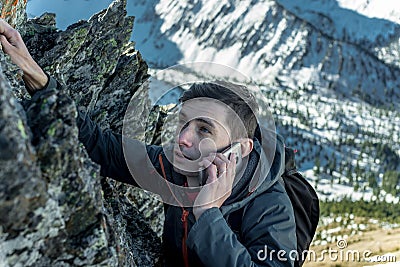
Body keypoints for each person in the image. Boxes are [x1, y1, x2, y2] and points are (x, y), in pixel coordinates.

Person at [0, 19, 297, 266]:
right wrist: (38, 78)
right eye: (183, 124)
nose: (182, 139)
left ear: (240, 149)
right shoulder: (176, 168)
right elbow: (103, 148)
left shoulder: (269, 206)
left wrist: (208, 215)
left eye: (204, 130)